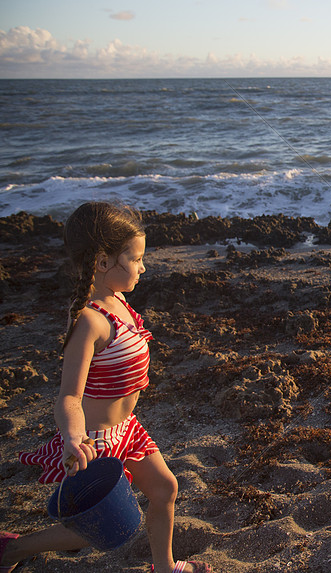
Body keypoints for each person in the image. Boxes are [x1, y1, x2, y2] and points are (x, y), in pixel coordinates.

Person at [0, 202, 211, 573]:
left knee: (165, 489)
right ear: (101, 262)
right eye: (135, 258)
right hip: (95, 442)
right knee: (97, 529)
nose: (143, 266)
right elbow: (69, 394)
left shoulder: (119, 300)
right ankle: (11, 550)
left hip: (127, 430)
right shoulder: (89, 321)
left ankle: (164, 567)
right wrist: (72, 436)